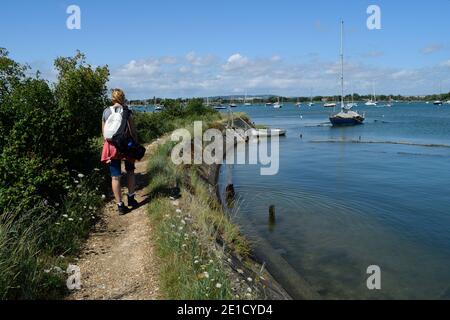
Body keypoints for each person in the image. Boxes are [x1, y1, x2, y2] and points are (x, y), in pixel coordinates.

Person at [101, 89, 139, 215]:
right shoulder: (127, 112)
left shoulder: (106, 112)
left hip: (111, 146)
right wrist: (135, 144)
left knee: (115, 176)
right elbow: (132, 131)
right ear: (123, 98)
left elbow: (104, 133)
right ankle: (131, 198)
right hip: (126, 146)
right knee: (130, 172)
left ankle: (120, 206)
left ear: (112, 98)